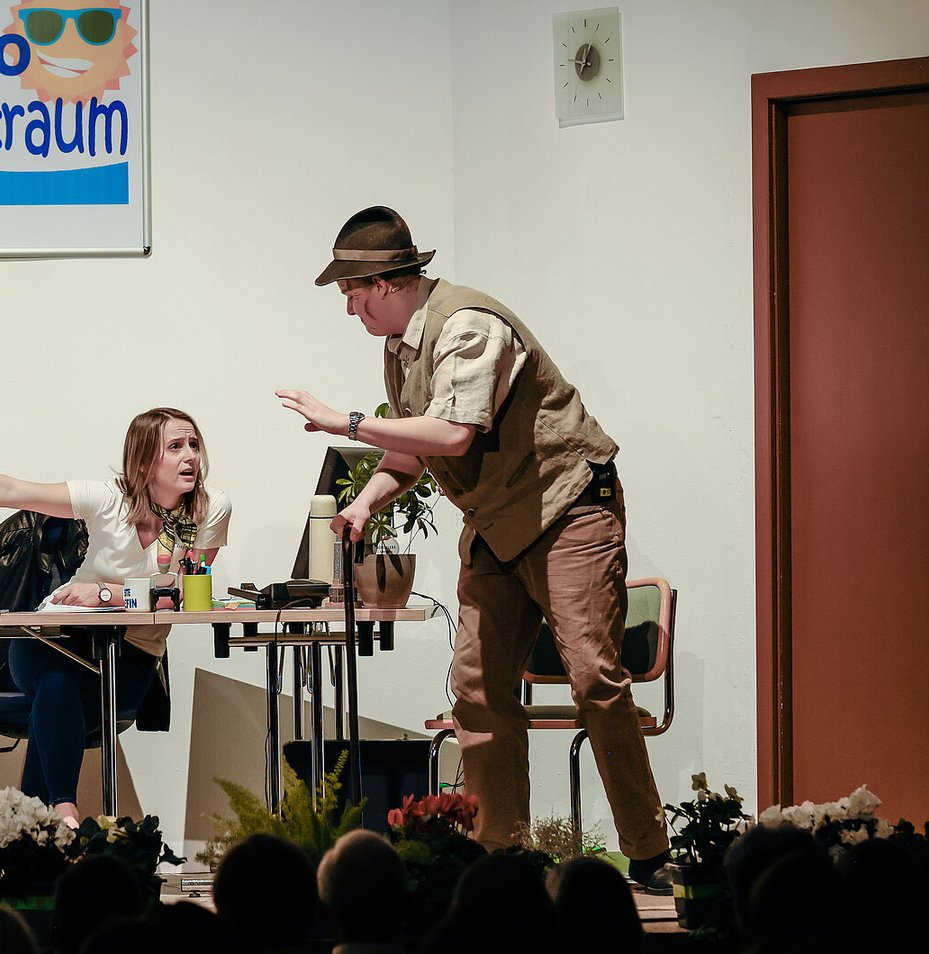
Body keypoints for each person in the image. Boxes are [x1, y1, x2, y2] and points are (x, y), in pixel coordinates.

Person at [277, 206, 670, 890]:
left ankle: (648, 848)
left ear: (385, 283)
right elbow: (414, 446)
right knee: (477, 688)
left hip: (566, 509)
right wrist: (365, 501)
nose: (349, 309)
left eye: (352, 293)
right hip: (497, 526)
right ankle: (502, 858)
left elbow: (454, 434)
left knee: (593, 679)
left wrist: (345, 422)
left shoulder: (468, 326)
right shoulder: (400, 346)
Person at [0, 407, 230, 827]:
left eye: (194, 444)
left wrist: (106, 594)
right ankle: (64, 811)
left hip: (129, 655)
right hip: (52, 636)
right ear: (144, 461)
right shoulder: (108, 498)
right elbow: (9, 490)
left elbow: (184, 593)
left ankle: (38, 828)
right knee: (55, 677)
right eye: (176, 446)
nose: (190, 456)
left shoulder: (210, 508)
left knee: (54, 698)